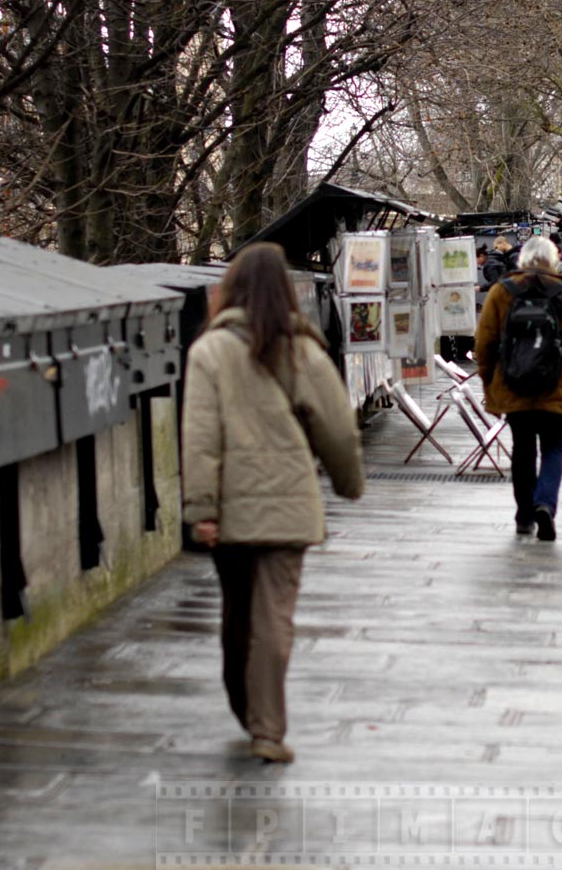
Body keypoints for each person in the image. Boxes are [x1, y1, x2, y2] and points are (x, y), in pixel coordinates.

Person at [182, 243, 365, 763]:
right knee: (274, 618)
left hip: (231, 508)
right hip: (289, 506)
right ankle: (267, 729)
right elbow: (336, 427)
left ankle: (247, 708)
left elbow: (199, 438)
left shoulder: (209, 351)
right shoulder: (301, 350)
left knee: (237, 615)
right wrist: (349, 483)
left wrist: (202, 510)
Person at [475, 236, 562, 541]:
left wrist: (489, 382)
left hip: (515, 385)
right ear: (553, 260)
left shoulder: (502, 291)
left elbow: (485, 342)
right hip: (558, 386)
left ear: (522, 259)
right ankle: (545, 503)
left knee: (522, 449)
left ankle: (524, 515)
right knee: (554, 449)